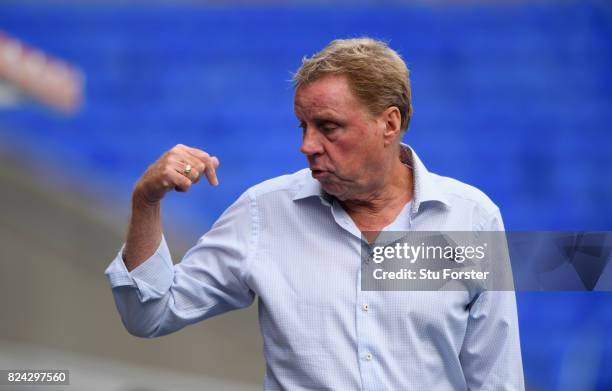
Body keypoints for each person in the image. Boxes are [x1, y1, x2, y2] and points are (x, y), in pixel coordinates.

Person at [105, 38, 525, 390]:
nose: (307, 145)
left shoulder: (471, 218)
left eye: (328, 126)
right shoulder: (263, 212)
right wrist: (146, 203)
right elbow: (150, 314)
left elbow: (496, 377)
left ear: (389, 124)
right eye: (302, 126)